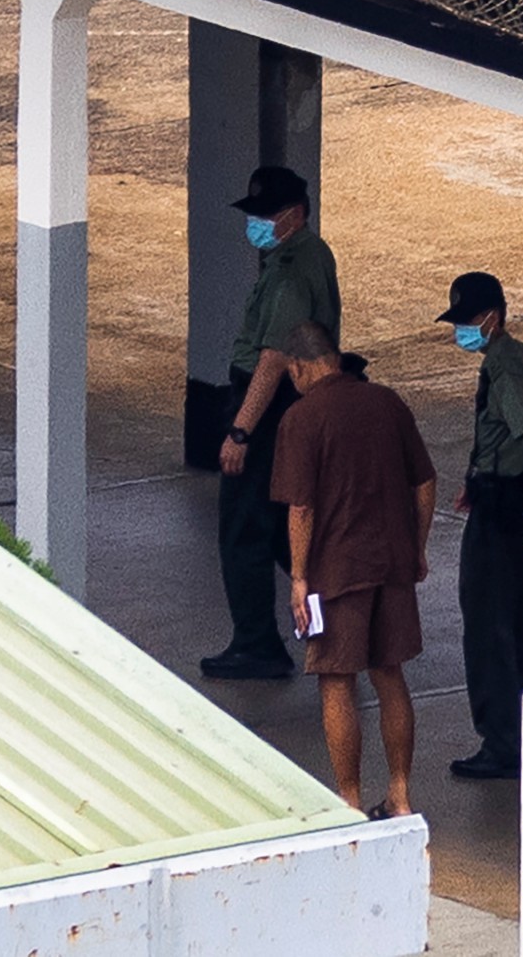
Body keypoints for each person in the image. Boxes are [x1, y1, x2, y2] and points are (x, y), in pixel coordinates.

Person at [271, 321, 436, 816]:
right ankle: (400, 794)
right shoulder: (387, 402)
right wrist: (417, 547)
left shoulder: (302, 418)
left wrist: (299, 577)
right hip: (392, 562)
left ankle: (349, 801)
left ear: (300, 367)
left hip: (335, 572)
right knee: (390, 674)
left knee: (336, 679)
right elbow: (425, 483)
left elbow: (301, 508)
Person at [200, 167, 342, 680]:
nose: (257, 225)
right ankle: (337, 623)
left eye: (266, 216)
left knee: (245, 527)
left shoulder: (290, 272)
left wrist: (241, 431)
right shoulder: (311, 253)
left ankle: (257, 642)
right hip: (291, 402)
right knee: (285, 530)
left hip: (269, 404)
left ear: (295, 214)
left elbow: (274, 358)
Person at [437, 272, 523, 780]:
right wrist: (478, 479)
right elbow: (507, 441)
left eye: (468, 320)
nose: (462, 330)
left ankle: (502, 742)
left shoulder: (504, 369)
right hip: (510, 499)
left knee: (489, 624)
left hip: (506, 515)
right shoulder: (520, 356)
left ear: (493, 317)